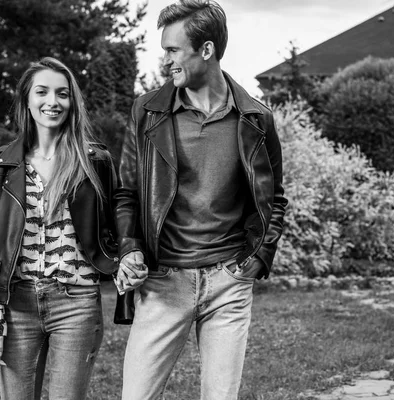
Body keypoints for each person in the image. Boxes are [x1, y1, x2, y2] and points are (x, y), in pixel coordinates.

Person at [113, 1, 288, 398]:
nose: (166, 60)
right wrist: (130, 250)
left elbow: (273, 199)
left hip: (229, 282)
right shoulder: (148, 111)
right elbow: (126, 192)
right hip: (163, 282)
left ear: (206, 50)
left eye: (173, 50)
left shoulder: (256, 119)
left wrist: (258, 257)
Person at [0, 57, 118, 400]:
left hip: (76, 302)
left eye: (62, 94)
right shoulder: (2, 164)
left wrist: (125, 261)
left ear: (72, 102)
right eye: (42, 92)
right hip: (17, 303)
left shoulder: (94, 161)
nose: (53, 102)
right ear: (26, 101)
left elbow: (116, 226)